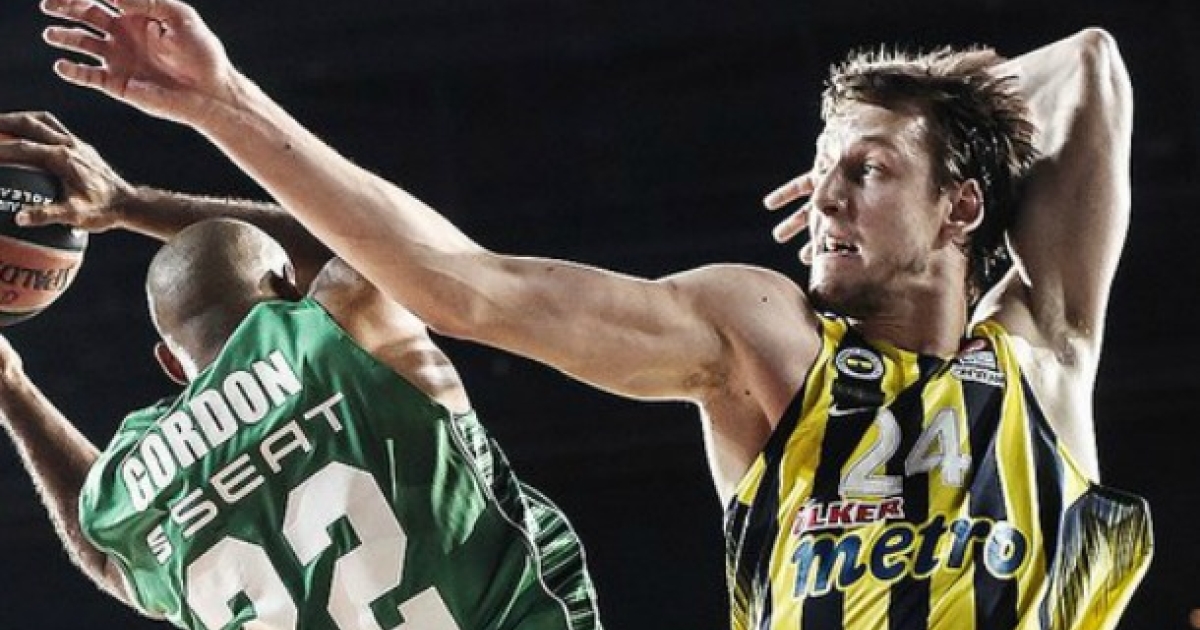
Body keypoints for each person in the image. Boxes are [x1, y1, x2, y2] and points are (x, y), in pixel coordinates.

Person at [36, 0, 1153, 628]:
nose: (824, 198)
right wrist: (224, 103)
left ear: (963, 205)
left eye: (862, 172)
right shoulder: (765, 339)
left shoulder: (1043, 351)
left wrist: (951, 113)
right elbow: (468, 287)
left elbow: (1091, 66)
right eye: (819, 171)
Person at [0, 113, 602, 630]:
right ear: (290, 285)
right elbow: (383, 246)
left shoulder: (136, 480)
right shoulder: (346, 327)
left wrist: (11, 387)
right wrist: (127, 204)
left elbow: (107, 558)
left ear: (171, 364)